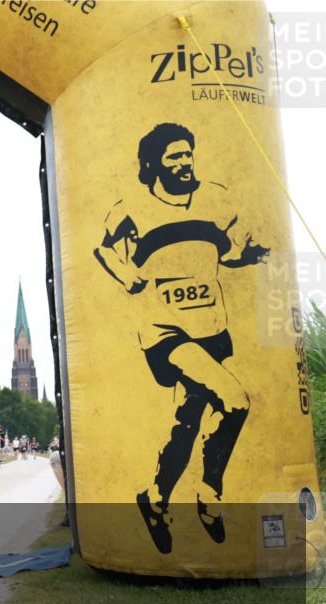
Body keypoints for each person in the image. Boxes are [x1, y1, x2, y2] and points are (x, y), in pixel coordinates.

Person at [94, 122, 267, 554]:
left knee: (185, 424)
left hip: (212, 327)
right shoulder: (131, 207)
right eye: (174, 156)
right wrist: (127, 274)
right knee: (235, 399)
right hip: (165, 331)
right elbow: (105, 249)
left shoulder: (215, 199)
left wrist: (251, 256)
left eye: (188, 153)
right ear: (153, 163)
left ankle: (153, 500)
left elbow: (226, 254)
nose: (184, 162)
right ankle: (209, 496)